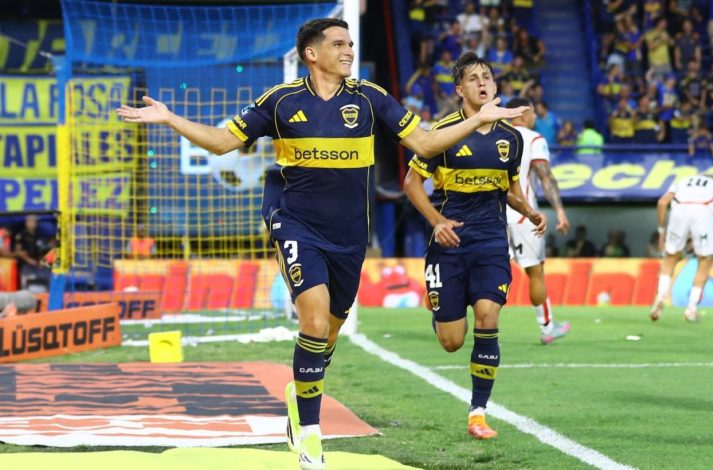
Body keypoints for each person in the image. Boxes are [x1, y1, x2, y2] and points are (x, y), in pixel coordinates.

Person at [117, 18, 528, 470]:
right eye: (339, 44)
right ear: (312, 54)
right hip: (296, 224)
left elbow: (426, 144)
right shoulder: (281, 101)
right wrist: (170, 118)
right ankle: (311, 440)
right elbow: (220, 143)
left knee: (328, 334)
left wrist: (479, 120)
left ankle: (302, 393)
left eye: (350, 43)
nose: (349, 50)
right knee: (312, 321)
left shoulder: (370, 98)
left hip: (349, 237)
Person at [403, 53, 546, 440]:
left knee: (488, 317)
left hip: (490, 241)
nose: (482, 83)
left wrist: (529, 211)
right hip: (449, 242)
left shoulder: (511, 138)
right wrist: (437, 221)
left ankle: (478, 413)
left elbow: (508, 189)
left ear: (495, 87)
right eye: (473, 78)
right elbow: (411, 184)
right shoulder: (442, 133)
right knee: (452, 342)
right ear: (459, 90)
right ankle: (440, 312)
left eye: (487, 77)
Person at [505, 97, 571, 345]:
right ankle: (547, 329)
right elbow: (545, 176)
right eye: (532, 113)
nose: (535, 118)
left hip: (492, 216)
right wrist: (560, 211)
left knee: (483, 272)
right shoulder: (533, 139)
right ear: (523, 114)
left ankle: (448, 314)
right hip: (524, 215)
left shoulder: (494, 136)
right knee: (535, 272)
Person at [650, 173, 713, 322]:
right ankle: (691, 309)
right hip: (704, 214)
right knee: (704, 262)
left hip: (679, 212)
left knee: (670, 258)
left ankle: (660, 297)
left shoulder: (682, 181)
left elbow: (662, 202)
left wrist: (661, 231)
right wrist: (707, 233)